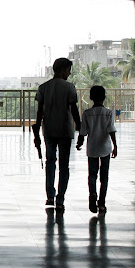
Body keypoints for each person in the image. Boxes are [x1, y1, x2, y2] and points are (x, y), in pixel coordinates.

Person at [32, 58, 81, 213]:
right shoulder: (70, 88)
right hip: (65, 130)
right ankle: (60, 199)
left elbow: (40, 111)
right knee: (64, 165)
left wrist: (37, 130)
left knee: (50, 162)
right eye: (68, 70)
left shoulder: (43, 88)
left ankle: (50, 195)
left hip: (49, 130)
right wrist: (80, 128)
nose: (69, 73)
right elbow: (74, 110)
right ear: (61, 70)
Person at [76, 85, 117, 214]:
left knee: (92, 174)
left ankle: (92, 194)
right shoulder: (108, 113)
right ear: (104, 97)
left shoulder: (87, 114)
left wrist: (79, 143)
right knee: (104, 176)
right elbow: (111, 131)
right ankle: (102, 203)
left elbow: (83, 132)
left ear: (91, 98)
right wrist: (115, 146)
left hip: (92, 148)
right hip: (105, 148)